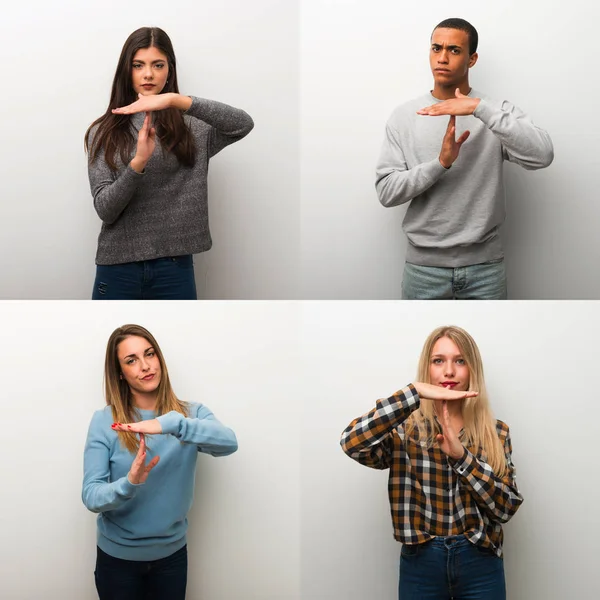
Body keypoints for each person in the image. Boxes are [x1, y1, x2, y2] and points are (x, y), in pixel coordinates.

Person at [375, 18, 553, 300]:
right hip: (424, 271)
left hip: (485, 270)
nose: (442, 58)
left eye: (454, 50)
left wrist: (480, 109)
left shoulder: (494, 112)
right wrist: (440, 164)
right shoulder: (404, 116)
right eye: (436, 48)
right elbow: (386, 192)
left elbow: (542, 155)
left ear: (472, 59)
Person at [340, 325, 523, 599]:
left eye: (460, 361)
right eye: (438, 361)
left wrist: (462, 456)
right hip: (421, 561)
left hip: (481, 561)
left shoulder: (496, 432)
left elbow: (506, 509)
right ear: (427, 368)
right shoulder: (404, 429)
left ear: (473, 369)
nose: (449, 372)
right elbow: (351, 443)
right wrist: (412, 392)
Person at [85, 27, 254, 300]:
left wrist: (176, 100)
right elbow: (105, 209)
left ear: (169, 70)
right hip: (118, 267)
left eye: (158, 65)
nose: (148, 74)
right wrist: (138, 162)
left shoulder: (193, 128)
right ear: (126, 71)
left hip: (174, 268)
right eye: (138, 65)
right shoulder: (103, 132)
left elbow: (242, 124)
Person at [82, 324, 238, 599]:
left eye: (150, 354)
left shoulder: (190, 415)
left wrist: (171, 424)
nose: (145, 365)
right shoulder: (105, 421)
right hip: (117, 562)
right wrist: (129, 483)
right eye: (131, 360)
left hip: (172, 559)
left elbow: (228, 443)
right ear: (120, 373)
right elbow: (91, 496)